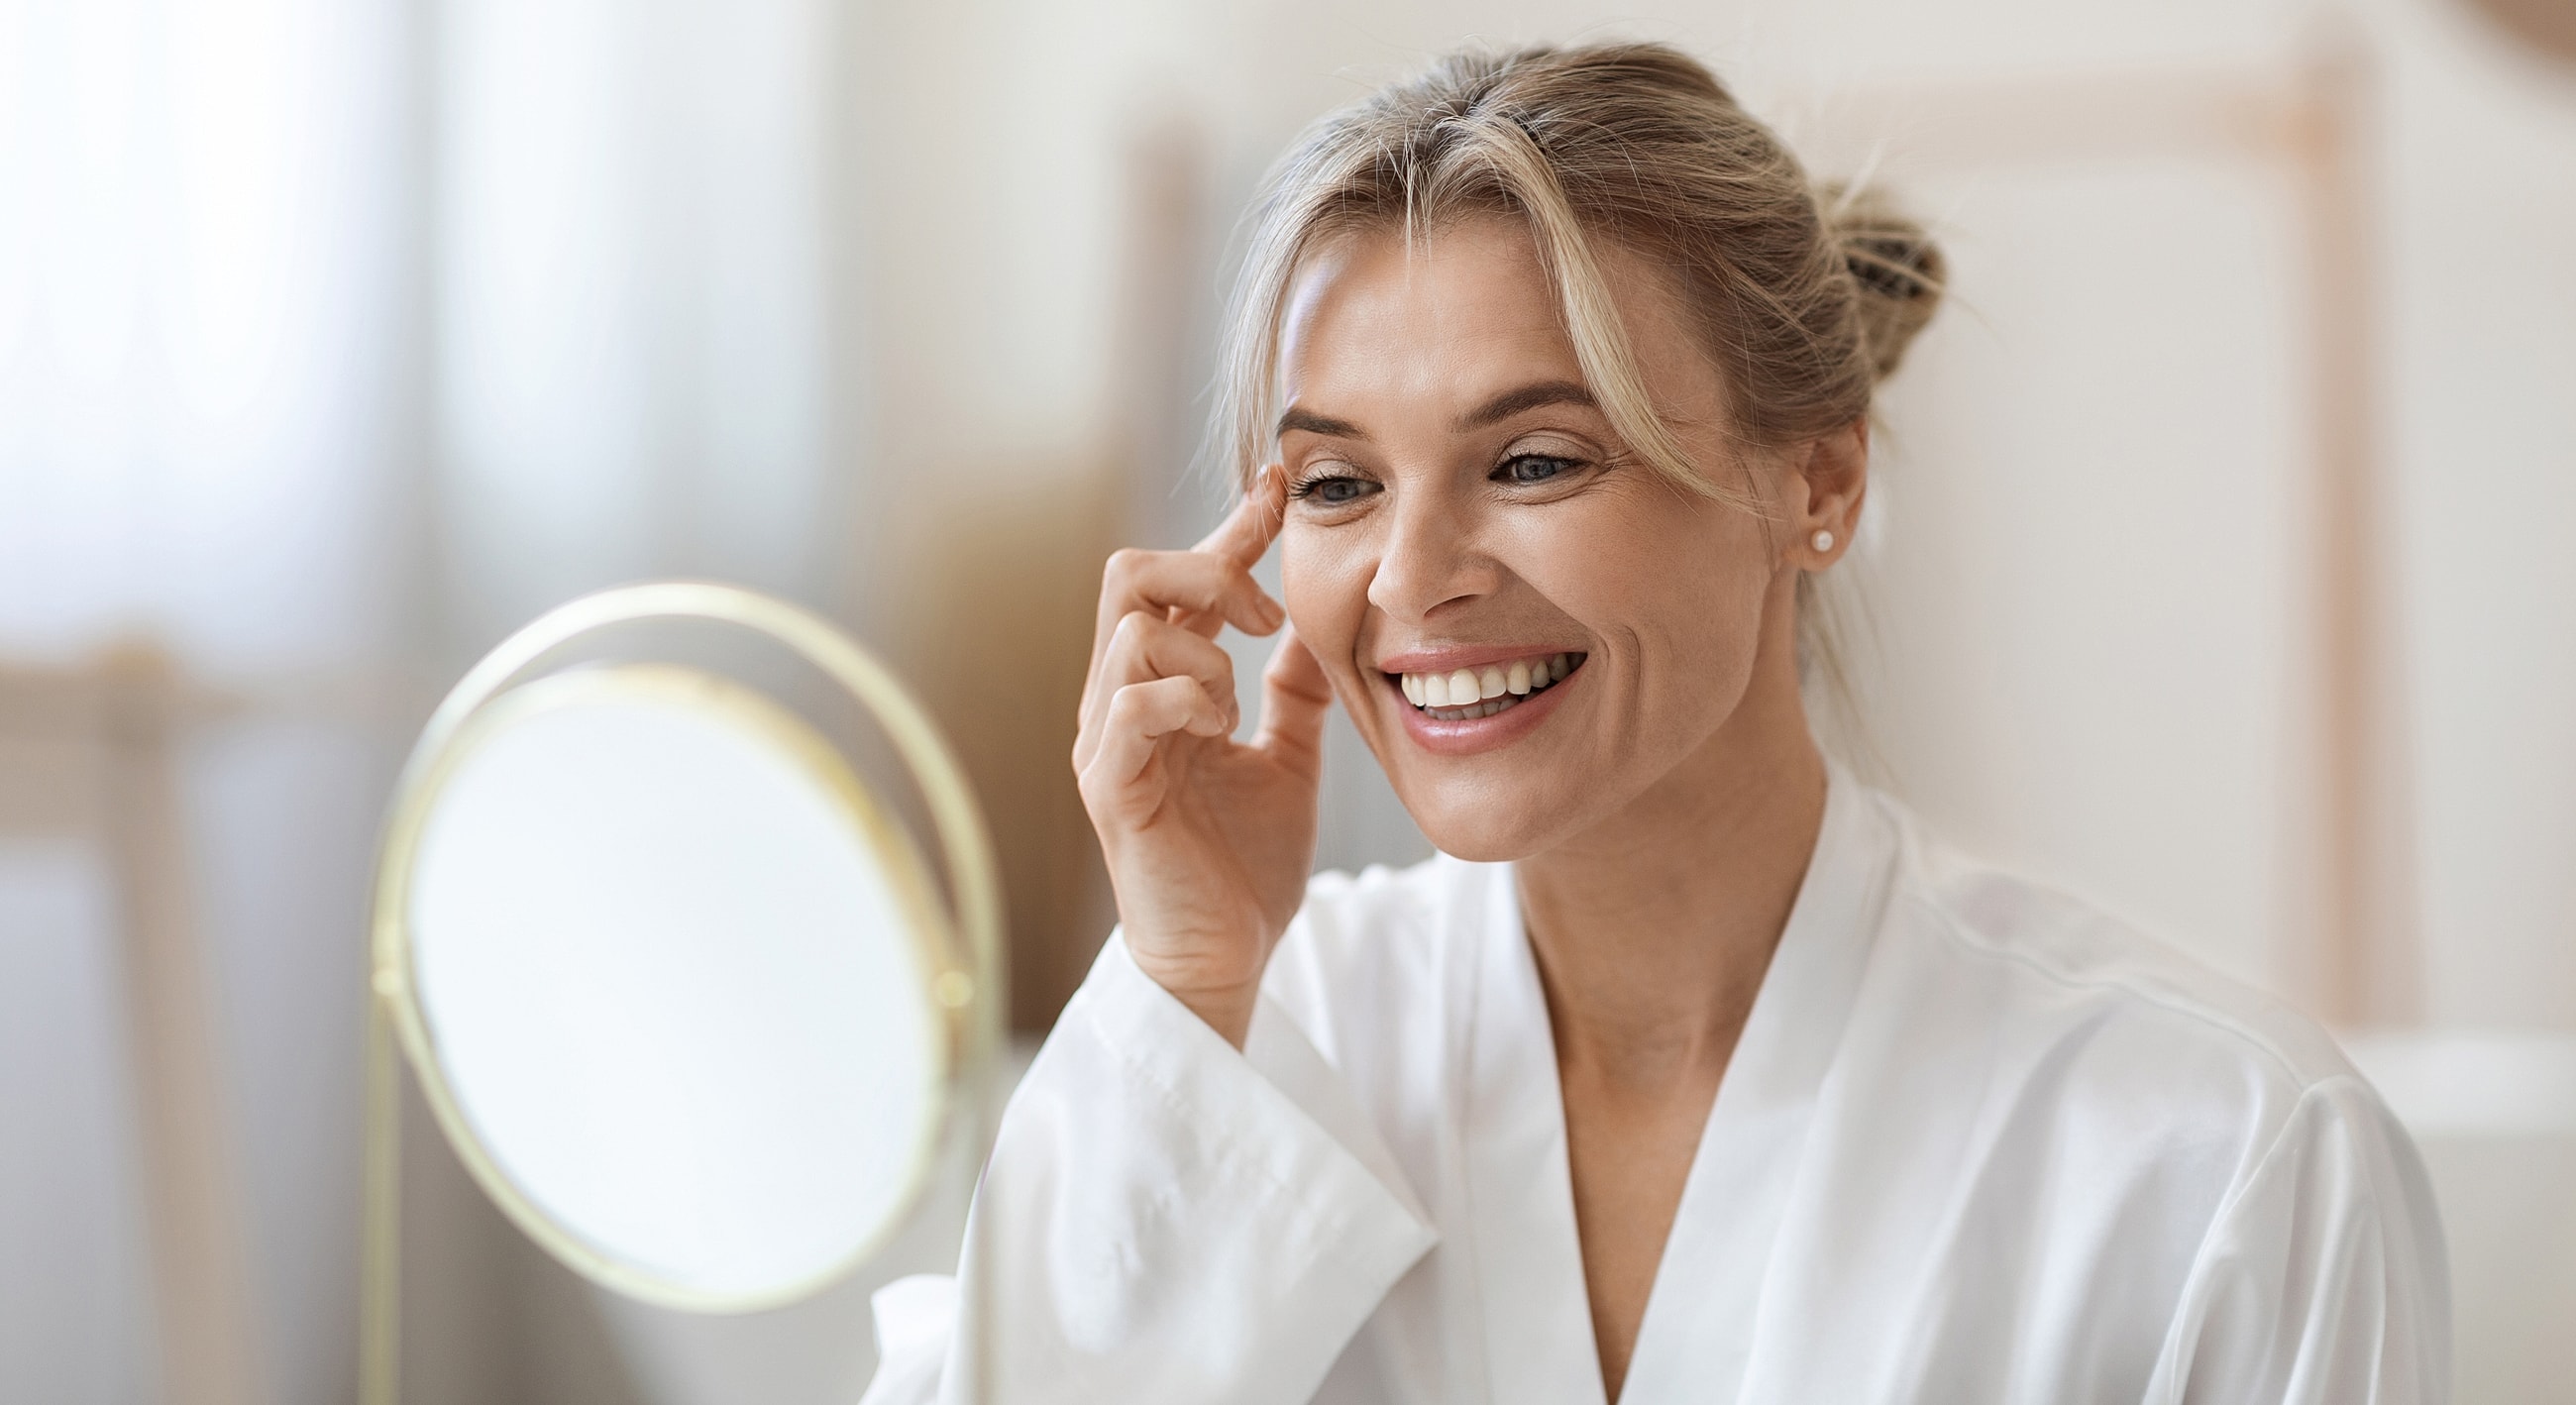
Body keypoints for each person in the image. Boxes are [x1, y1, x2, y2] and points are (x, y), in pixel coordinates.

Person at [861, 41, 2447, 1405]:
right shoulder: (1259, 1045)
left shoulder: (2220, 1157)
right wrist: (1189, 978)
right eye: (1338, 483)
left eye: (1537, 459)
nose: (1412, 580)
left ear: (1816, 483)